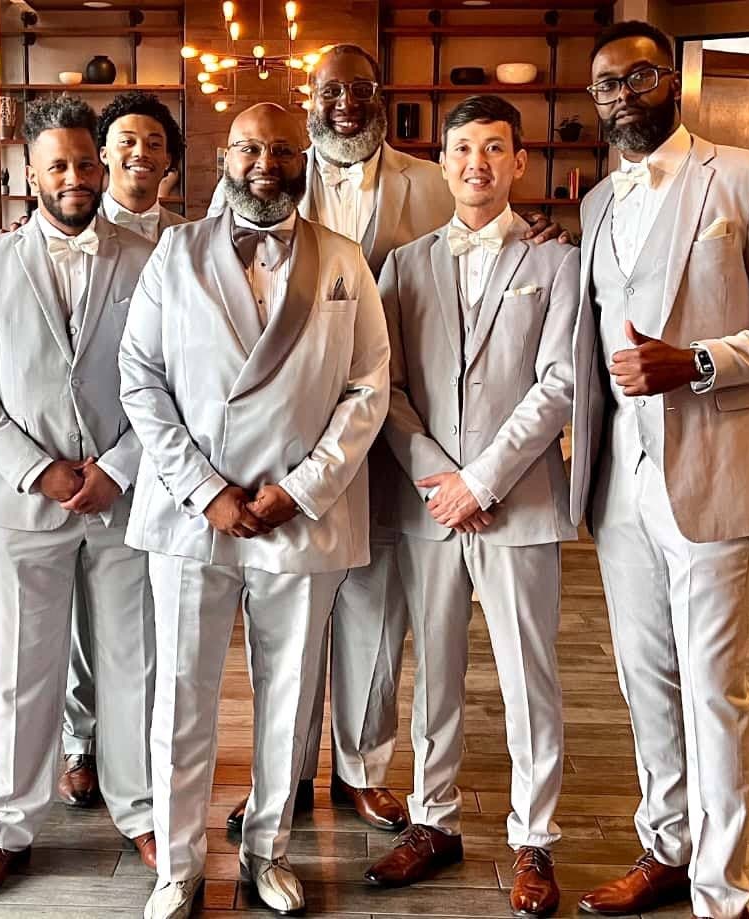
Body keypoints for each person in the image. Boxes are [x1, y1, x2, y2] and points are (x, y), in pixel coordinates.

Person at [214, 42, 569, 837]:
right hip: (289, 441)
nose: (346, 102)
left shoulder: (428, 177)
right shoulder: (265, 168)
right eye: (330, 89)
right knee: (284, 618)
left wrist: (537, 230)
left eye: (361, 89)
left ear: (382, 99)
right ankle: (282, 771)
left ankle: (361, 769)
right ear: (308, 98)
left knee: (379, 615)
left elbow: (489, 250)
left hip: (403, 439)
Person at [570, 21, 749, 919]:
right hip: (617, 481)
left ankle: (724, 891)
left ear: (668, 81)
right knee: (645, 677)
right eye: (604, 85)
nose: (621, 95)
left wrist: (702, 361)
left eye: (636, 77)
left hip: (714, 467)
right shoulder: (598, 204)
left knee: (714, 686)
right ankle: (665, 847)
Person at [120, 102, 390, 919]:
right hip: (192, 513)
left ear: (301, 157)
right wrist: (208, 490)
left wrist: (298, 489)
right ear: (221, 158)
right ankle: (177, 863)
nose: (263, 162)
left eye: (279, 148)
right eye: (247, 148)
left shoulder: (344, 260)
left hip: (300, 513)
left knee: (289, 695)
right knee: (181, 693)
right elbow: (141, 377)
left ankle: (266, 851)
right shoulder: (173, 253)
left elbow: (368, 386)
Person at [367, 96, 578, 919]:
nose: (478, 164)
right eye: (463, 149)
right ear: (443, 161)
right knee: (436, 674)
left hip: (516, 501)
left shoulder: (559, 262)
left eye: (495, 148)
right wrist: (437, 478)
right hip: (429, 504)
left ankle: (535, 838)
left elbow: (559, 382)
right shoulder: (404, 263)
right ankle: (436, 819)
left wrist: (480, 480)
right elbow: (385, 388)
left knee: (530, 674)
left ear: (520, 161)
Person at [0, 95, 157, 895]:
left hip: (122, 499)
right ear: (27, 172)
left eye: (85, 163)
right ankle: (8, 827)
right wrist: (38, 468)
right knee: (22, 669)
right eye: (57, 165)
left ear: (104, 168)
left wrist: (117, 466)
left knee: (132, 663)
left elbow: (166, 389)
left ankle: (141, 814)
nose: (75, 177)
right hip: (22, 503)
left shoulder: (147, 259)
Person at [57, 90, 187, 811]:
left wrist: (130, 458)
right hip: (69, 461)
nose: (141, 154)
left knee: (139, 614)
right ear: (103, 153)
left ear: (171, 160)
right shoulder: (57, 225)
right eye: (126, 141)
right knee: (79, 617)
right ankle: (81, 741)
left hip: (149, 456)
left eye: (155, 144)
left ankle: (139, 753)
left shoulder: (188, 239)